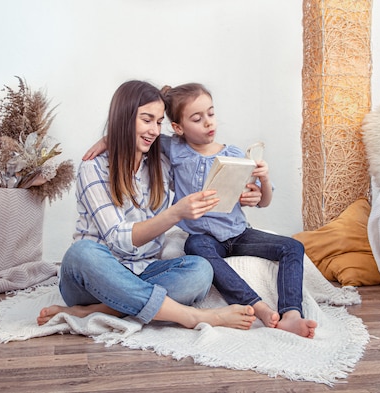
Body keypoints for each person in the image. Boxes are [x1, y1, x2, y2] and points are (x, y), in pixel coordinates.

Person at [85, 82, 317, 338]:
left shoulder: (234, 153)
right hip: (203, 238)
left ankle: (292, 312)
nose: (208, 123)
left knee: (292, 247)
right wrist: (108, 139)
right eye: (197, 118)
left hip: (237, 233)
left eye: (211, 114)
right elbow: (133, 132)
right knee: (197, 247)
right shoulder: (173, 148)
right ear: (178, 128)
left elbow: (262, 201)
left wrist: (261, 185)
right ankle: (256, 306)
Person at [37, 80, 256, 330]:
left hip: (142, 271)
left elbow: (199, 176)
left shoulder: (160, 164)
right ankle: (192, 316)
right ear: (124, 118)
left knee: (200, 270)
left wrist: (247, 192)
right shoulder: (94, 167)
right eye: (146, 119)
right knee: (82, 253)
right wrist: (176, 213)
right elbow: (119, 239)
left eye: (159, 121)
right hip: (94, 277)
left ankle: (99, 311)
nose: (154, 130)